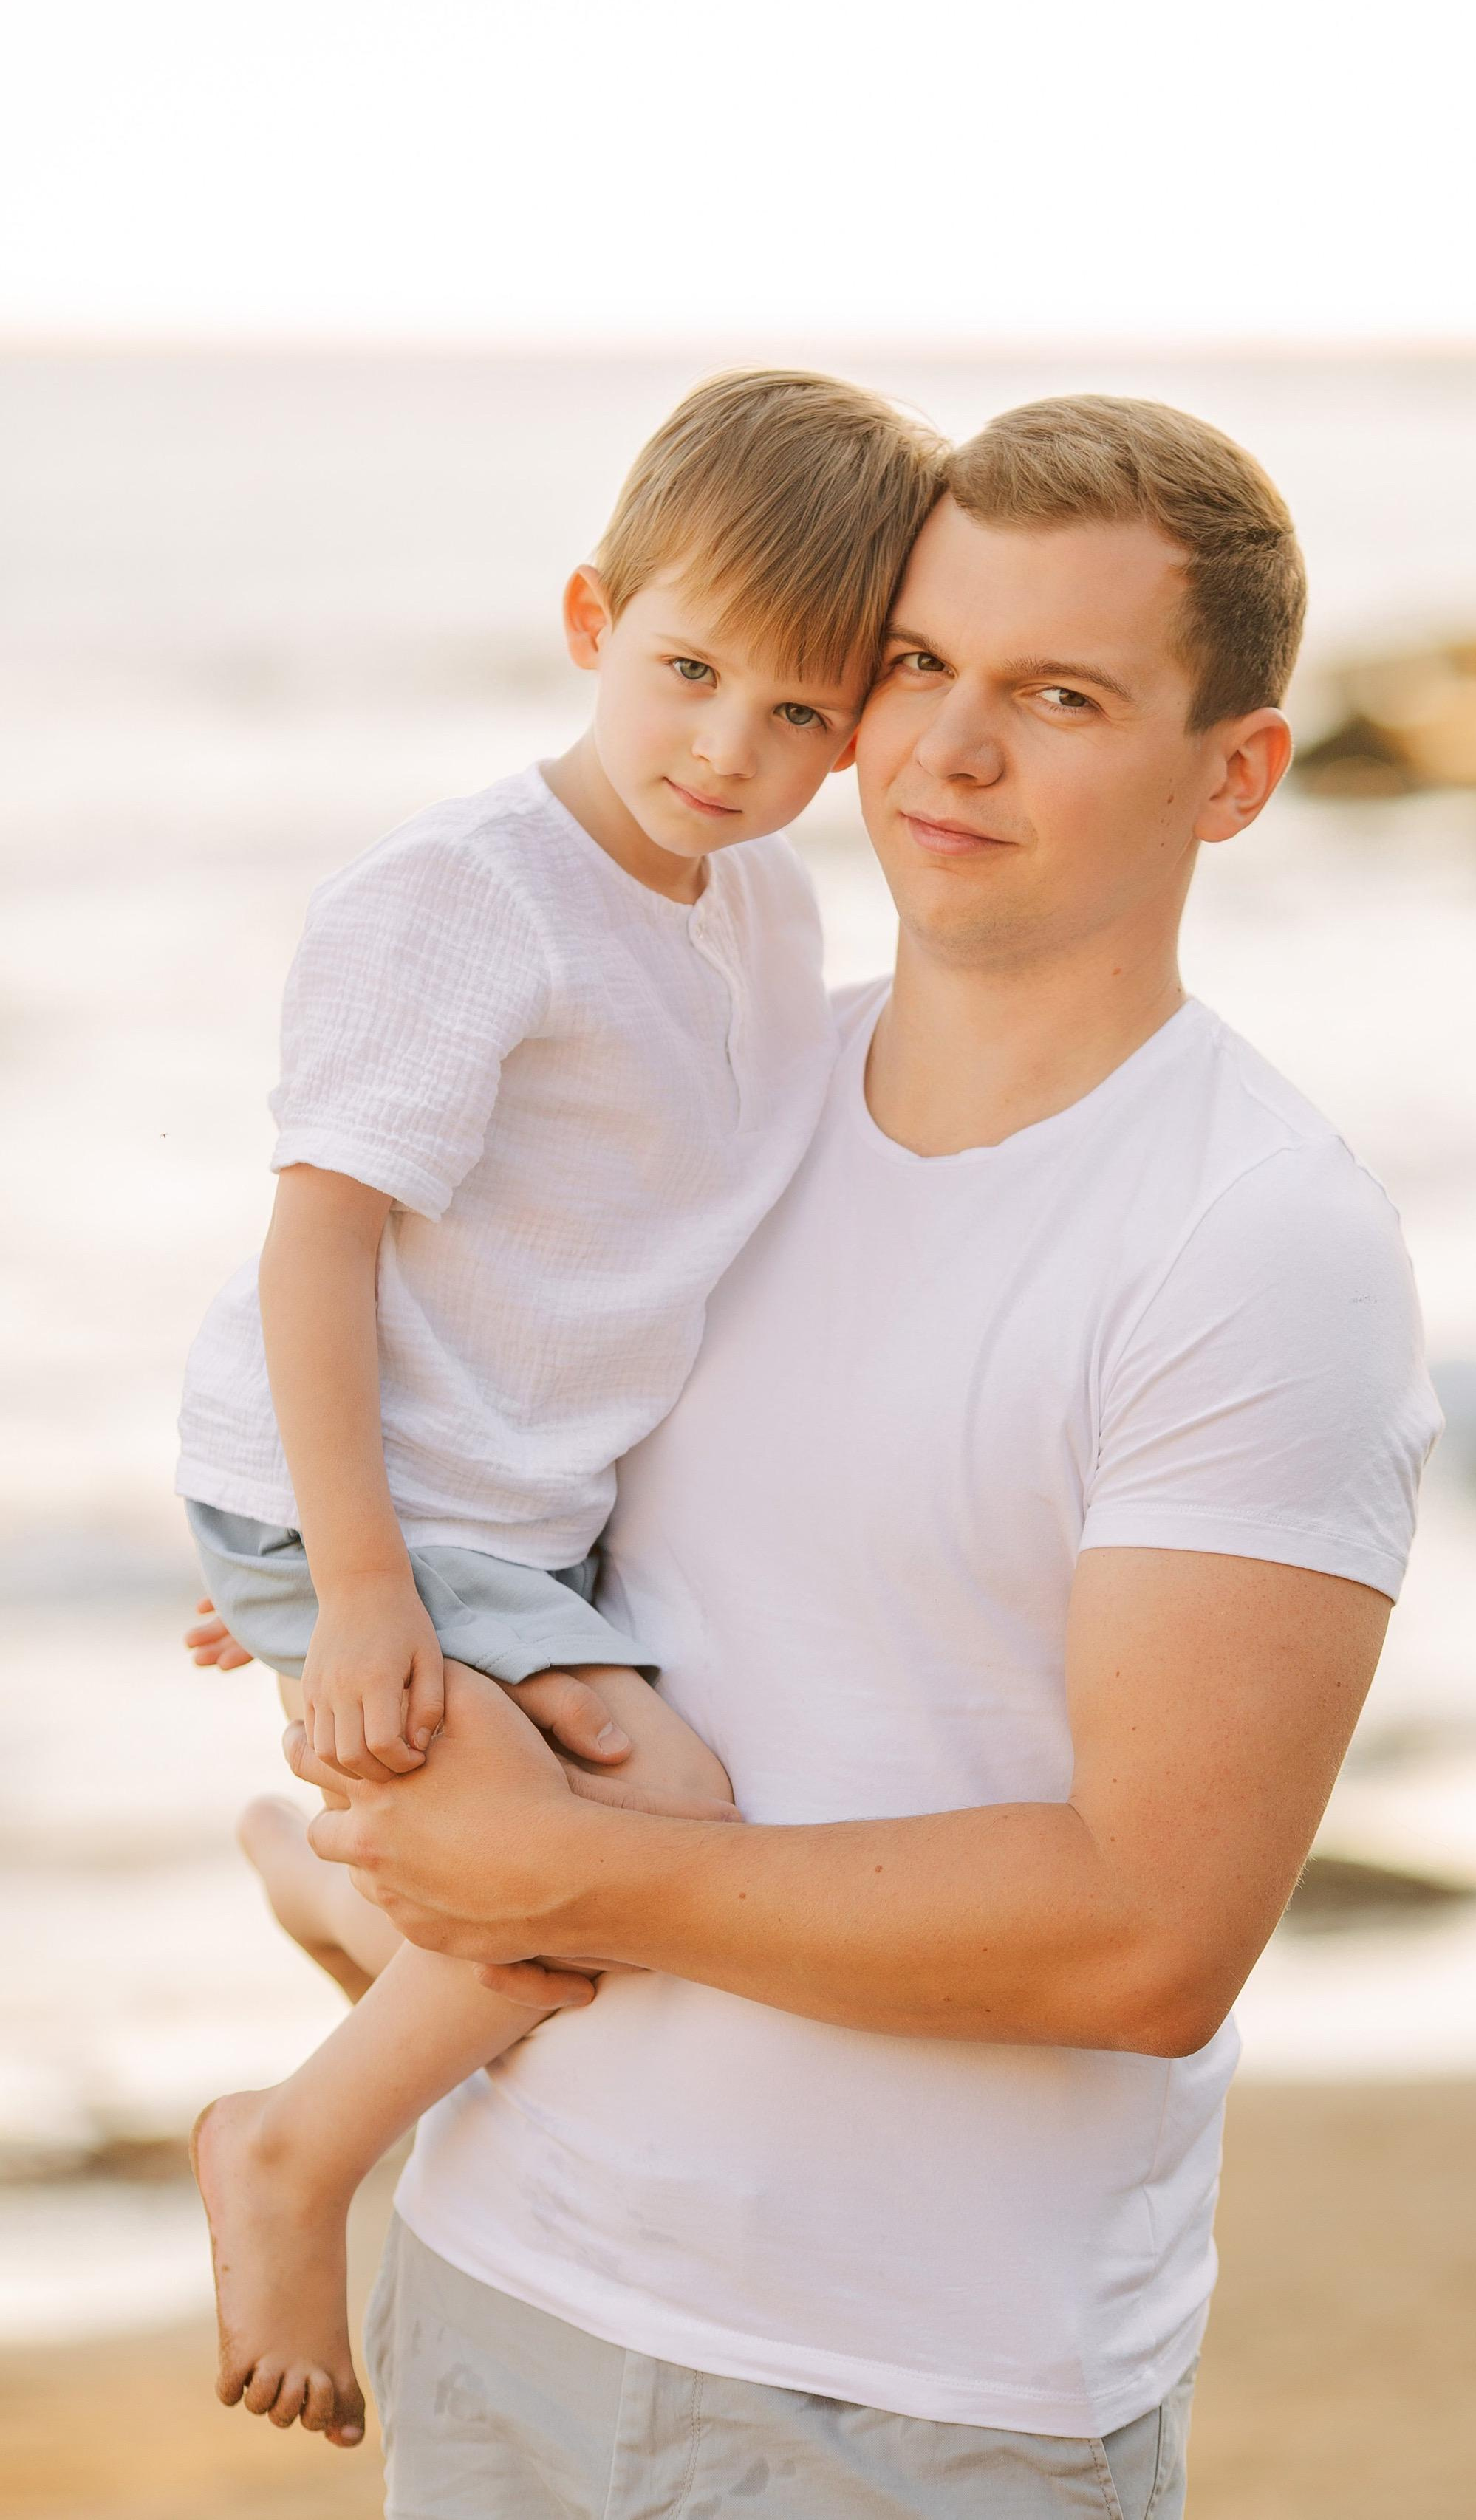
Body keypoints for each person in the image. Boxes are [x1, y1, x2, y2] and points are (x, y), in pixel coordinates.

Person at [281, 394, 1444, 2519]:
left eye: (1060, 695)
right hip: (498, 2288)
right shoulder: (701, 1099)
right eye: (917, 666)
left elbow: (1147, 1932)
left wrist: (566, 1875)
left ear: (1237, 774)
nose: (944, 752)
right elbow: (445, 1470)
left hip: (916, 2402)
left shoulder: (1254, 1241)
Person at [174, 367, 947, 2450]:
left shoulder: (767, 911)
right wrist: (340, 1582)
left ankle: (334, 1884)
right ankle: (290, 2151)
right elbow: (318, 1247)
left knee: (595, 1881)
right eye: (692, 671)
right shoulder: (468, 899)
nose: (731, 750)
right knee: (651, 1844)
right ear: (596, 619)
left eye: (802, 713)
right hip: (397, 1513)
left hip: (499, 1519)